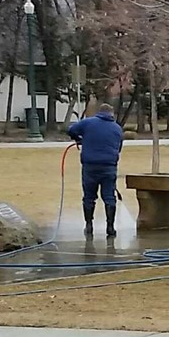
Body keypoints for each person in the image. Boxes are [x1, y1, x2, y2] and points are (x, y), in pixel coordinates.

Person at [67, 102, 125, 238]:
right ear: (112, 114)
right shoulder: (117, 128)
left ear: (99, 112)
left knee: (89, 197)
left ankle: (89, 225)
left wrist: (79, 138)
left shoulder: (88, 123)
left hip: (90, 166)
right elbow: (119, 148)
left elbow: (71, 130)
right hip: (109, 167)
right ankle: (110, 227)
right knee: (109, 197)